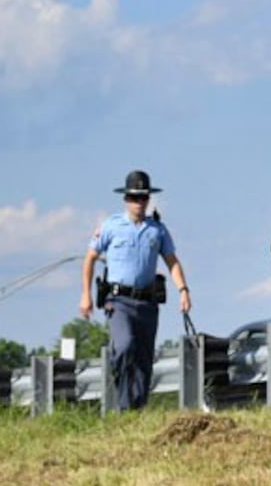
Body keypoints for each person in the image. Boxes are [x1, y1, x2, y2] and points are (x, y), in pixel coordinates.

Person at [78, 170, 191, 412]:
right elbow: (89, 258)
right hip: (118, 301)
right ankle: (123, 400)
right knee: (125, 345)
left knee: (143, 358)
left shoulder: (157, 230)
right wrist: (86, 295)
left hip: (147, 302)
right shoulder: (111, 226)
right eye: (134, 197)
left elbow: (172, 261)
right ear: (126, 199)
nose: (139, 202)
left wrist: (183, 290)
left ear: (148, 200)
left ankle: (136, 409)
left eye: (143, 198)